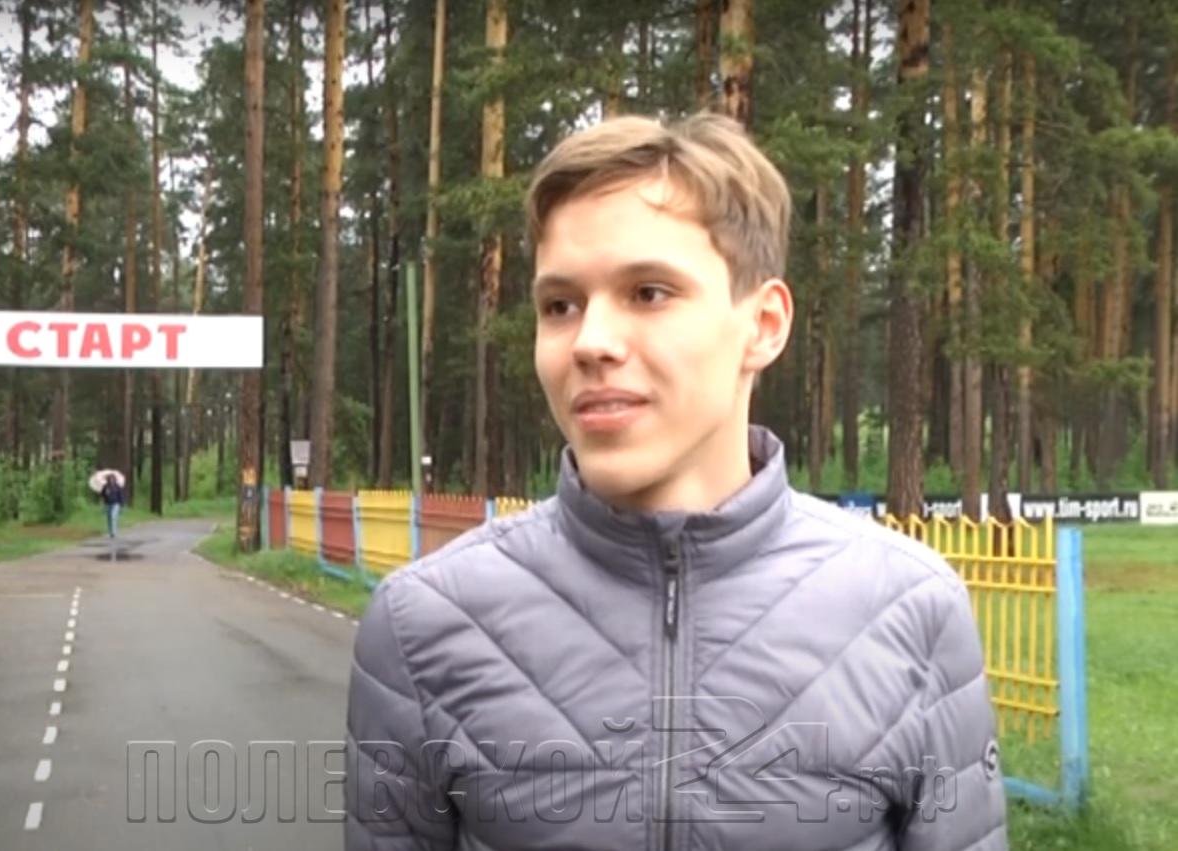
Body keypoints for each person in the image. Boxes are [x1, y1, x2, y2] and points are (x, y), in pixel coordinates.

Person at [344, 113, 1007, 850]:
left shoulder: (911, 611)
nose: (591, 341)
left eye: (649, 292)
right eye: (560, 305)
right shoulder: (423, 624)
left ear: (764, 324)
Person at [100, 474, 123, 539]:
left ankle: (114, 532)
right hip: (108, 504)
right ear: (108, 480)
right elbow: (102, 495)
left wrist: (121, 505)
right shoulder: (105, 487)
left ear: (114, 479)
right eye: (110, 479)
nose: (111, 480)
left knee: (113, 517)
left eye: (112, 479)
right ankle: (110, 532)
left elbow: (120, 496)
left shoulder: (117, 486)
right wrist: (103, 501)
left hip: (116, 504)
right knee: (109, 518)